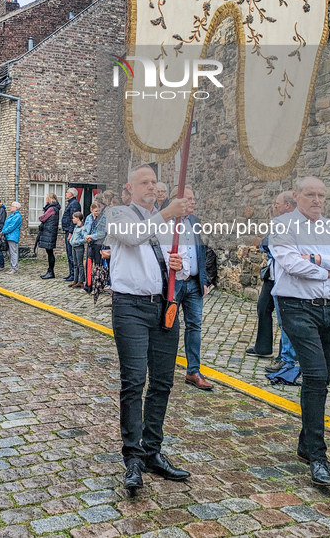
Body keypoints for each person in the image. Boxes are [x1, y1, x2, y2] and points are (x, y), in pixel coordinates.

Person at [104, 164, 191, 494]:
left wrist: (180, 267)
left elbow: (183, 266)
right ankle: (133, 457)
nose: (151, 187)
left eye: (155, 182)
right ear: (130, 187)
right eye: (144, 182)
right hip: (130, 308)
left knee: (163, 382)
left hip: (165, 307)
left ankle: (153, 451)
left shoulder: (171, 223)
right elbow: (133, 236)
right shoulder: (117, 214)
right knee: (134, 380)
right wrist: (167, 212)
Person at [270, 176, 330, 487]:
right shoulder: (283, 225)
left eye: (321, 195)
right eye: (310, 194)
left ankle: (306, 446)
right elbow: (293, 265)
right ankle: (318, 456)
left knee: (322, 380)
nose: (317, 200)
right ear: (297, 195)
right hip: (297, 308)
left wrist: (318, 258)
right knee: (316, 375)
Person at [246, 192, 297, 361]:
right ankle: (263, 347)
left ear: (288, 206)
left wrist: (261, 242)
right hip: (272, 275)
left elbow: (268, 243)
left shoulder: (292, 223)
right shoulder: (278, 222)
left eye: (277, 204)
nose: (274, 207)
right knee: (263, 307)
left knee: (285, 317)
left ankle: (286, 357)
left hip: (284, 276)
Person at [174, 186, 213, 391]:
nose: (193, 202)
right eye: (188, 199)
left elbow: (201, 253)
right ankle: (162, 366)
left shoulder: (195, 222)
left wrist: (204, 279)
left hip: (195, 283)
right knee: (169, 325)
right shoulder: (167, 223)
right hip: (176, 282)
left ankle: (193, 371)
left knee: (194, 327)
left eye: (193, 199)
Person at [38, 194, 61, 279]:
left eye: (47, 198)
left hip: (49, 232)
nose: (46, 199)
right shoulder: (55, 208)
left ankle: (51, 271)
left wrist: (40, 217)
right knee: (49, 252)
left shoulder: (51, 209)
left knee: (50, 252)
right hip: (51, 231)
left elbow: (43, 218)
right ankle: (50, 271)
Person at [62, 188, 81, 283]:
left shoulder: (74, 204)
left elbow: (73, 220)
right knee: (69, 253)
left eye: (67, 192)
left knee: (71, 254)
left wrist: (70, 233)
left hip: (71, 232)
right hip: (68, 230)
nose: (66, 193)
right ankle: (71, 272)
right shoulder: (71, 203)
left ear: (72, 194)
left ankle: (74, 274)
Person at [2, 202, 22, 273]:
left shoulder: (17, 216)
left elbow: (12, 226)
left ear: (16, 208)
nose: (11, 207)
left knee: (13, 252)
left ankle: (14, 268)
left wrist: (4, 231)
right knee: (10, 252)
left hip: (13, 236)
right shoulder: (12, 215)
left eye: (12, 206)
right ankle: (12, 267)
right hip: (9, 235)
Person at [69, 211, 87, 289]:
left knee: (80, 264)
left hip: (79, 247)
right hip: (74, 246)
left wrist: (77, 242)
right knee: (75, 263)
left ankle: (81, 281)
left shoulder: (82, 228)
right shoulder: (76, 227)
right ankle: (75, 279)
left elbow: (84, 238)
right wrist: (71, 241)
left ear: (78, 218)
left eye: (74, 218)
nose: (72, 219)